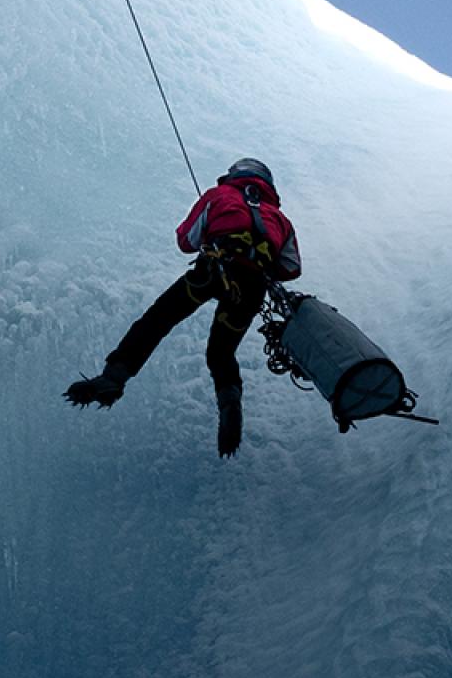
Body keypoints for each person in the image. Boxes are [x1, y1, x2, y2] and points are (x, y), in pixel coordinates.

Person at [64, 157, 302, 456]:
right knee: (221, 352)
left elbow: (185, 241)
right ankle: (230, 402)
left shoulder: (219, 195)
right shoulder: (281, 219)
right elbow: (291, 268)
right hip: (251, 287)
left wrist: (214, 231)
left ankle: (113, 378)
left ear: (235, 175)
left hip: (212, 270)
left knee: (157, 321)